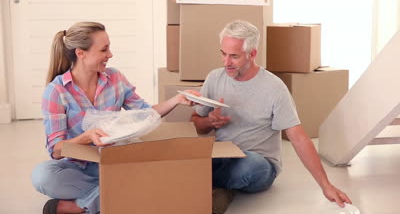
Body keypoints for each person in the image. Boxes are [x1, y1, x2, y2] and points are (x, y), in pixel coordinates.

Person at [31, 22, 197, 214]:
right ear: (80, 53)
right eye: (104, 49)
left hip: (116, 162)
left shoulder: (115, 78)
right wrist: (86, 138)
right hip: (80, 168)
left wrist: (176, 100)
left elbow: (145, 114)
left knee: (164, 170)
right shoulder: (56, 91)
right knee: (42, 176)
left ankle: (78, 206)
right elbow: (57, 150)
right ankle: (117, 194)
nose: (110, 55)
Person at [191, 20, 352, 213]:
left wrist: (326, 185)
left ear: (252, 54)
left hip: (259, 162)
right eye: (223, 54)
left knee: (250, 166)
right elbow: (197, 124)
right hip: (222, 156)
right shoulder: (214, 78)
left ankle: (204, 182)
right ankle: (220, 186)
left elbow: (298, 137)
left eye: (234, 56)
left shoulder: (274, 88)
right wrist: (209, 121)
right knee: (189, 158)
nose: (226, 63)